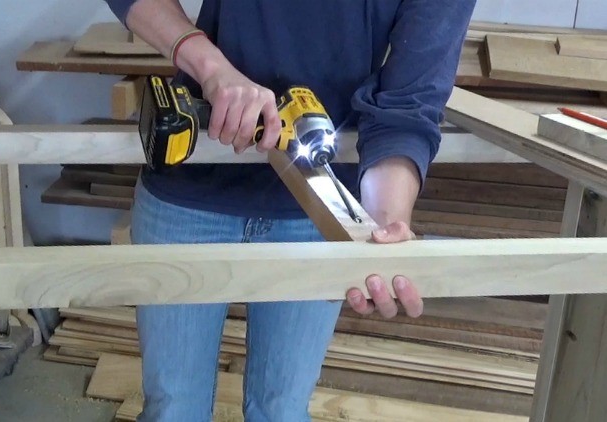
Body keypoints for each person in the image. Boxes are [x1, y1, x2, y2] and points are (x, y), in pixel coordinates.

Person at [103, 0, 476, 420]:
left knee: (280, 411)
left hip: (317, 207)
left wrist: (384, 226)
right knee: (173, 408)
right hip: (191, 187)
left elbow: (408, 102)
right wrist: (211, 68)